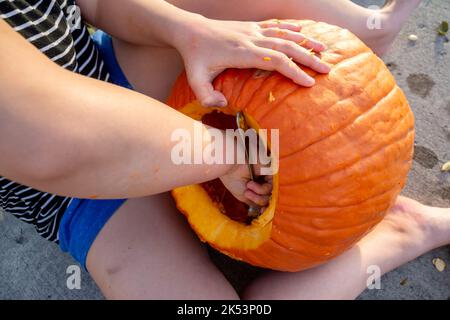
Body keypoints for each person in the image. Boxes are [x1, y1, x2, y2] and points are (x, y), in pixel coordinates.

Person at [1, 0, 447, 300]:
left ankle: (371, 30)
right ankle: (405, 230)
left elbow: (95, 4)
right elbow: (53, 143)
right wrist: (232, 153)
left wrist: (190, 31)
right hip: (71, 192)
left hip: (101, 67)